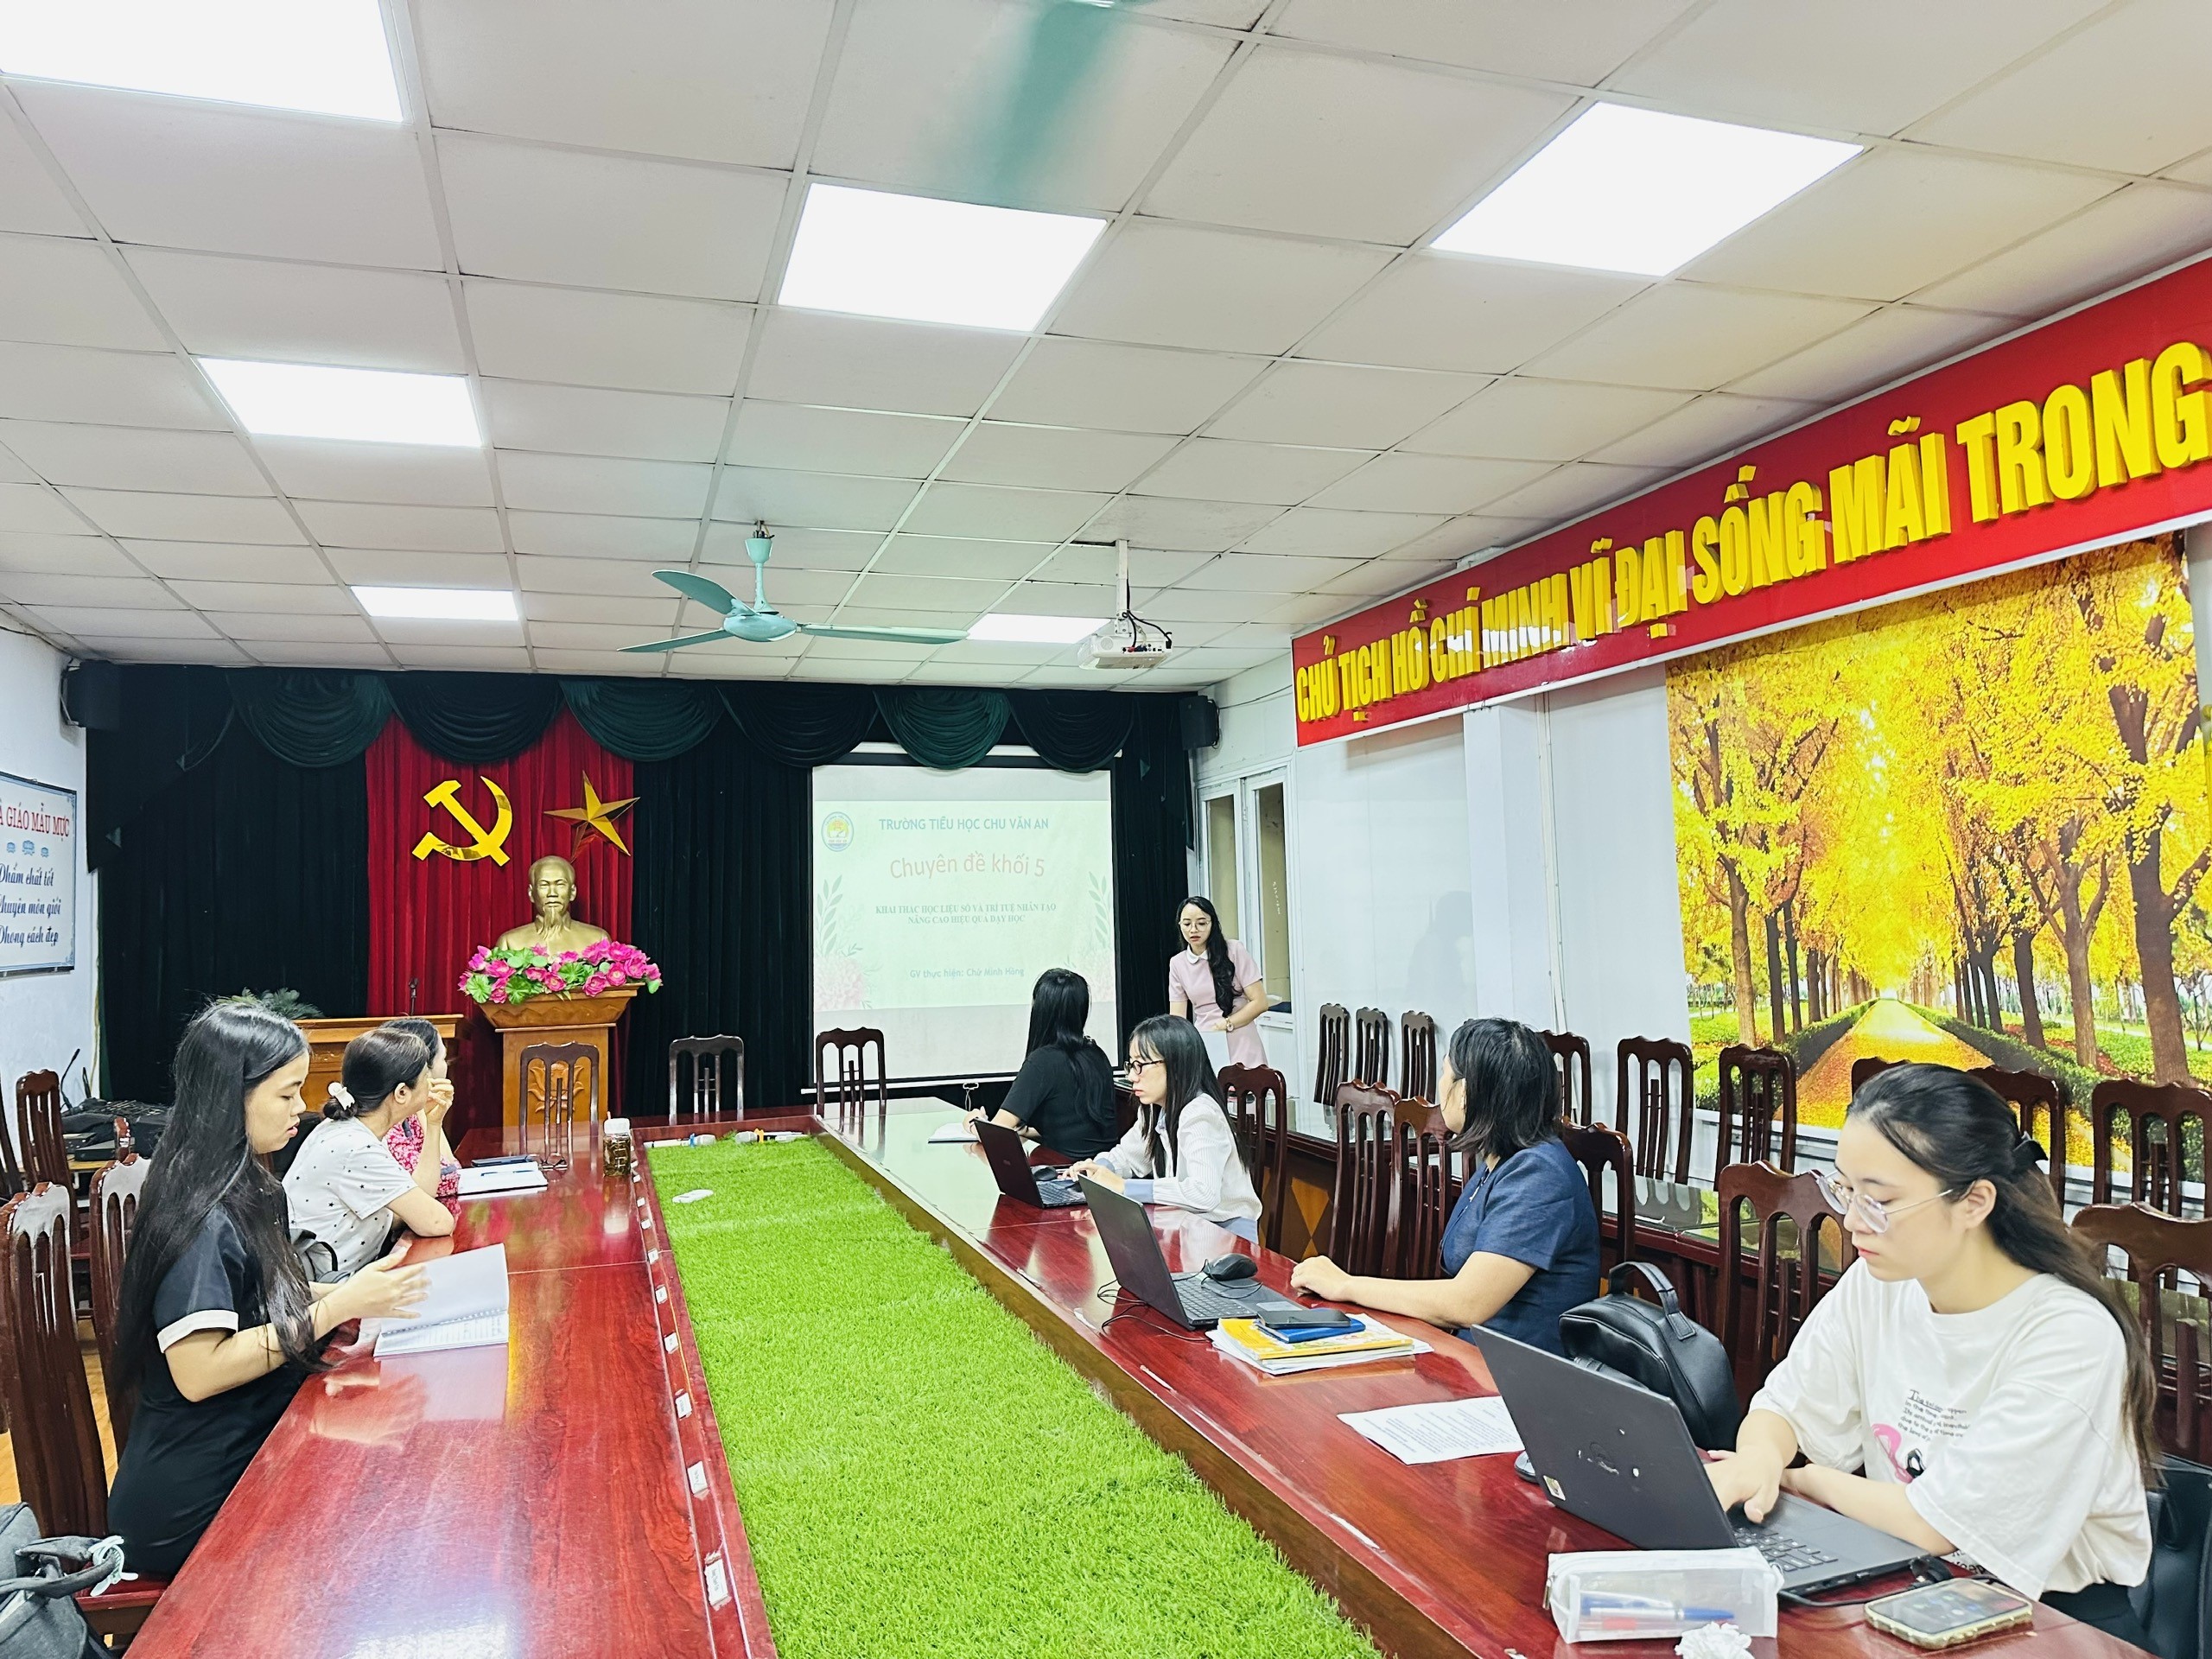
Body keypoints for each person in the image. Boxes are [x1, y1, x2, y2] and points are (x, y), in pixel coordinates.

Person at [1707, 1065, 2154, 1642]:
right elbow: (1783, 1409)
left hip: (2056, 1623)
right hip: (1918, 1587)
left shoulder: (2070, 1335)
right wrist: (1759, 1460)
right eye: (1846, 1190)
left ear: (1974, 1202)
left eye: (1879, 1200)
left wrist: (1805, 1480)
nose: (1851, 1221)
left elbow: (1936, 1523)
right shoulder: (1882, 1282)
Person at [107, 1002, 428, 1577]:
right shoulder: (199, 1213)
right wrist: (337, 1305)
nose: (302, 1107)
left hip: (253, 1440)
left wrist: (354, 1292)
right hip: (198, 1495)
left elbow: (262, 1295)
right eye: (286, 1094)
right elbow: (200, 1371)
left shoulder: (253, 1184)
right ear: (229, 1097)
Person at [1290, 1017, 1598, 1355]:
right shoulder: (1502, 1160)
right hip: (1475, 1358)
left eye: (1444, 1072)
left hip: (1517, 1375)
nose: (1439, 1087)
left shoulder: (1538, 1175)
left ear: (1464, 1093)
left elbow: (1467, 1303)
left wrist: (1346, 1285)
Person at [1066, 1014, 1261, 1240]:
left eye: (1140, 1065)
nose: (1132, 1076)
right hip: (1185, 1227)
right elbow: (1127, 1157)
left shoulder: (1200, 1113)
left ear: (1175, 1065)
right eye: (1131, 1065)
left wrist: (1124, 1186)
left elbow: (1203, 1194)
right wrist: (1098, 1169)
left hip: (1226, 1237)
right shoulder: (1155, 1108)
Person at [284, 1027, 457, 1279]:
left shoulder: (355, 1129)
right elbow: (438, 1223)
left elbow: (422, 1196)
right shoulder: (355, 1147)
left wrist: (433, 1124)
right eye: (425, 1076)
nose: (430, 1083)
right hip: (331, 1288)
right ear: (401, 1093)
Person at [965, 968, 1121, 1158]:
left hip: (1064, 1170)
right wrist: (1027, 1132)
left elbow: (996, 1135)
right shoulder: (1098, 1055)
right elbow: (1077, 1132)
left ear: (1039, 1009)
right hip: (1102, 1168)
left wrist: (974, 1123)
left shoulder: (1042, 1062)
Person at [1167, 896, 1270, 1069]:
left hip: (1241, 1037)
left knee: (1246, 1083)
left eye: (1201, 923)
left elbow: (1260, 1002)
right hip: (1206, 1041)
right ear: (1179, 925)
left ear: (1212, 923)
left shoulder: (1234, 950)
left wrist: (1227, 1023)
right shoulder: (1178, 963)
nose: (1193, 930)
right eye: (1187, 924)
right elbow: (1177, 1020)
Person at [382, 1016, 461, 1207]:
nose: (447, 1066)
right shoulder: (388, 1119)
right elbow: (446, 1179)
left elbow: (452, 1168)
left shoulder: (411, 1115)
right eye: (443, 1059)